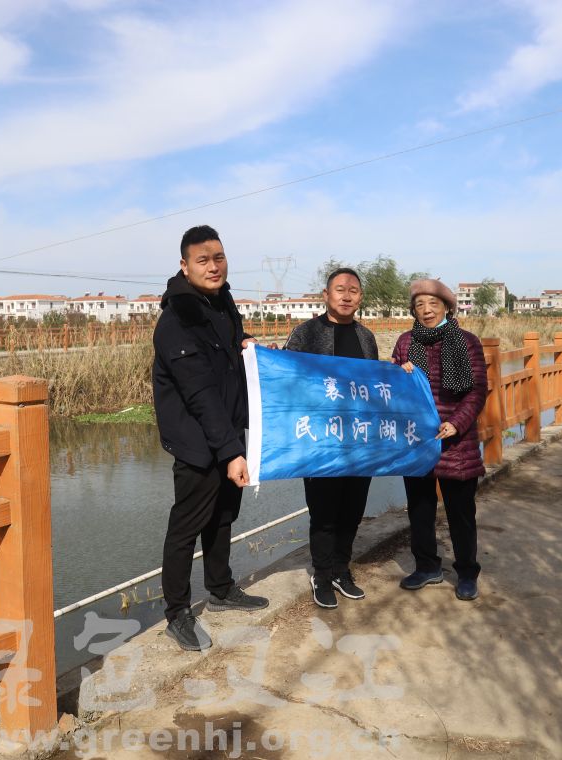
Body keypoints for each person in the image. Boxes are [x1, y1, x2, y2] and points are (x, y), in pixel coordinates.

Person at [152, 225, 268, 651]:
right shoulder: (177, 319)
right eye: (203, 260)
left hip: (226, 432)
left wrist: (245, 340)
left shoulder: (222, 301)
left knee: (223, 516)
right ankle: (177, 613)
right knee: (187, 525)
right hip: (197, 440)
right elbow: (199, 394)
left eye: (218, 257)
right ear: (184, 266)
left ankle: (220, 589)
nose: (213, 266)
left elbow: (231, 341)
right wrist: (231, 452)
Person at [284, 268, 380, 609]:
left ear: (360, 298)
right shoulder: (306, 333)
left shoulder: (366, 337)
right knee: (324, 513)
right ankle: (322, 574)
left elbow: (376, 388)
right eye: (340, 289)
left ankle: (342, 569)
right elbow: (286, 378)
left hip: (359, 442)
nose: (346, 295)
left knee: (352, 509)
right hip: (322, 443)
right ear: (326, 295)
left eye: (353, 290)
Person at [392, 279, 488, 601]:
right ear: (413, 311)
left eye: (433, 303)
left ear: (447, 307)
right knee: (419, 509)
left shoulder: (468, 342)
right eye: (419, 305)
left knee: (461, 513)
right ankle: (427, 566)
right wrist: (398, 373)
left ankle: (466, 571)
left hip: (456, 443)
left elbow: (476, 392)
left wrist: (456, 424)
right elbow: (390, 391)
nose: (426, 310)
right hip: (417, 441)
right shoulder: (406, 343)